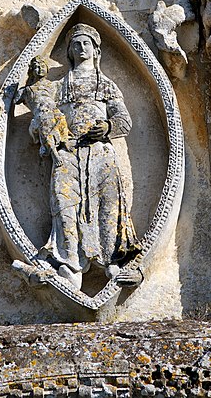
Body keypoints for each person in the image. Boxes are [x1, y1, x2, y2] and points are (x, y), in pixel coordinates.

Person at [37, 23, 141, 290]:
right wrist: (48, 130)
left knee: (108, 203)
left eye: (86, 44)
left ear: (96, 50)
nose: (81, 48)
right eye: (76, 44)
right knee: (64, 202)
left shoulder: (106, 85)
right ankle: (69, 262)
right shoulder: (58, 87)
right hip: (68, 153)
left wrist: (107, 127)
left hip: (99, 153)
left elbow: (124, 121)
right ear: (70, 52)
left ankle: (113, 260)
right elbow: (40, 119)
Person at [16, 56, 70, 168]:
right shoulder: (27, 90)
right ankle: (54, 153)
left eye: (42, 66)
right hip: (41, 113)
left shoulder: (53, 85)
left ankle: (64, 141)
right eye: (36, 67)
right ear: (31, 71)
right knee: (45, 121)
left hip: (54, 111)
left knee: (61, 118)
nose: (40, 69)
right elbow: (15, 100)